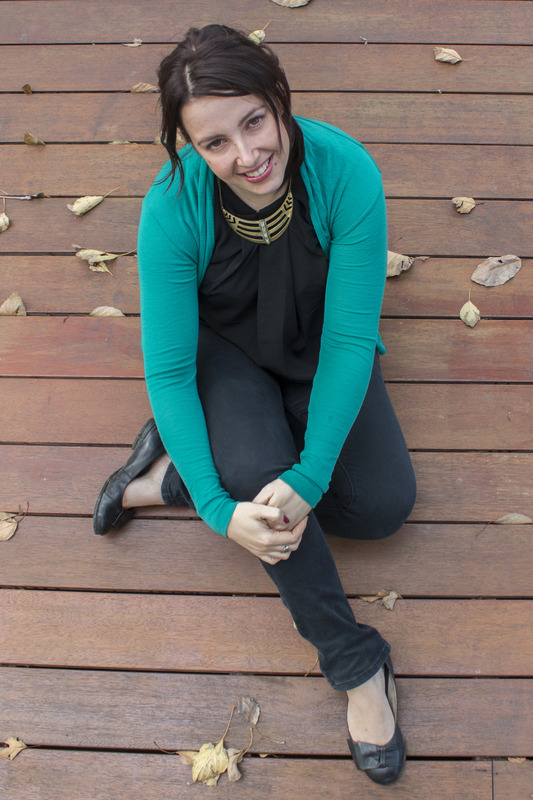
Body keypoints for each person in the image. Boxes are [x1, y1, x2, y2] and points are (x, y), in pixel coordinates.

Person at [93, 24, 416, 786]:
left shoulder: (345, 172)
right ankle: (355, 664)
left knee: (381, 506)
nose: (245, 155)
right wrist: (218, 507)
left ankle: (170, 475)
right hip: (225, 358)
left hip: (321, 346)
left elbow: (349, 342)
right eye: (214, 143)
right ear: (189, 147)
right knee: (254, 484)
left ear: (278, 100)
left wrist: (310, 474)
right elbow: (171, 369)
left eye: (253, 122)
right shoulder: (172, 208)